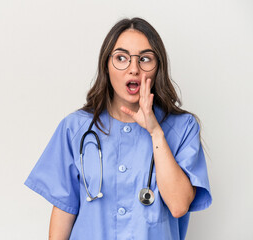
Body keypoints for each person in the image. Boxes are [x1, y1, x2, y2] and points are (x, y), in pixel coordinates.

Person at [24, 17, 212, 240]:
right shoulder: (75, 128)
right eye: (121, 58)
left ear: (158, 67)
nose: (133, 69)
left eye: (144, 59)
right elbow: (64, 212)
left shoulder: (182, 128)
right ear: (106, 65)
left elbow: (179, 205)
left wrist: (155, 131)